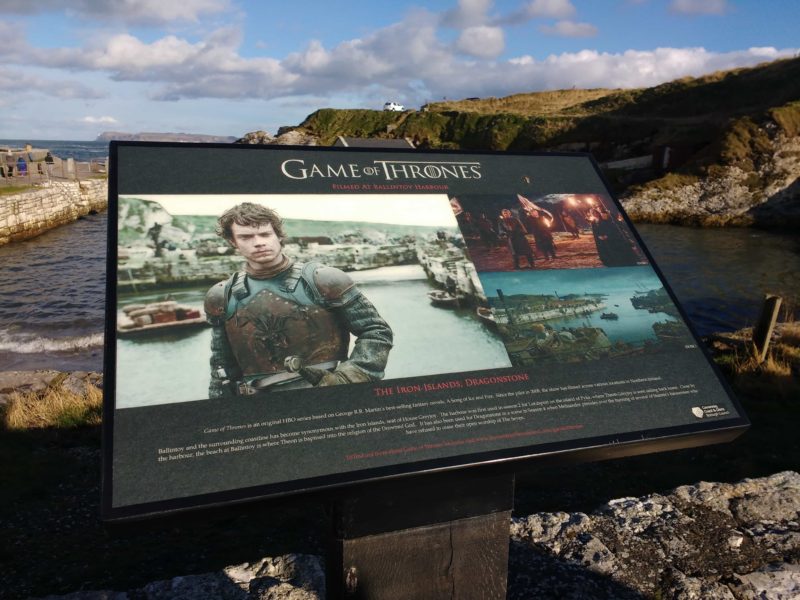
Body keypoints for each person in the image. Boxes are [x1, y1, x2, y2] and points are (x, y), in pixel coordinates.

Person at [205, 202, 393, 398]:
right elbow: (221, 367)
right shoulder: (221, 296)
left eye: (265, 234)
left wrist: (349, 378)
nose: (258, 242)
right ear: (233, 242)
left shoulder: (324, 280)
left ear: (278, 235)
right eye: (246, 237)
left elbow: (376, 331)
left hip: (330, 395)